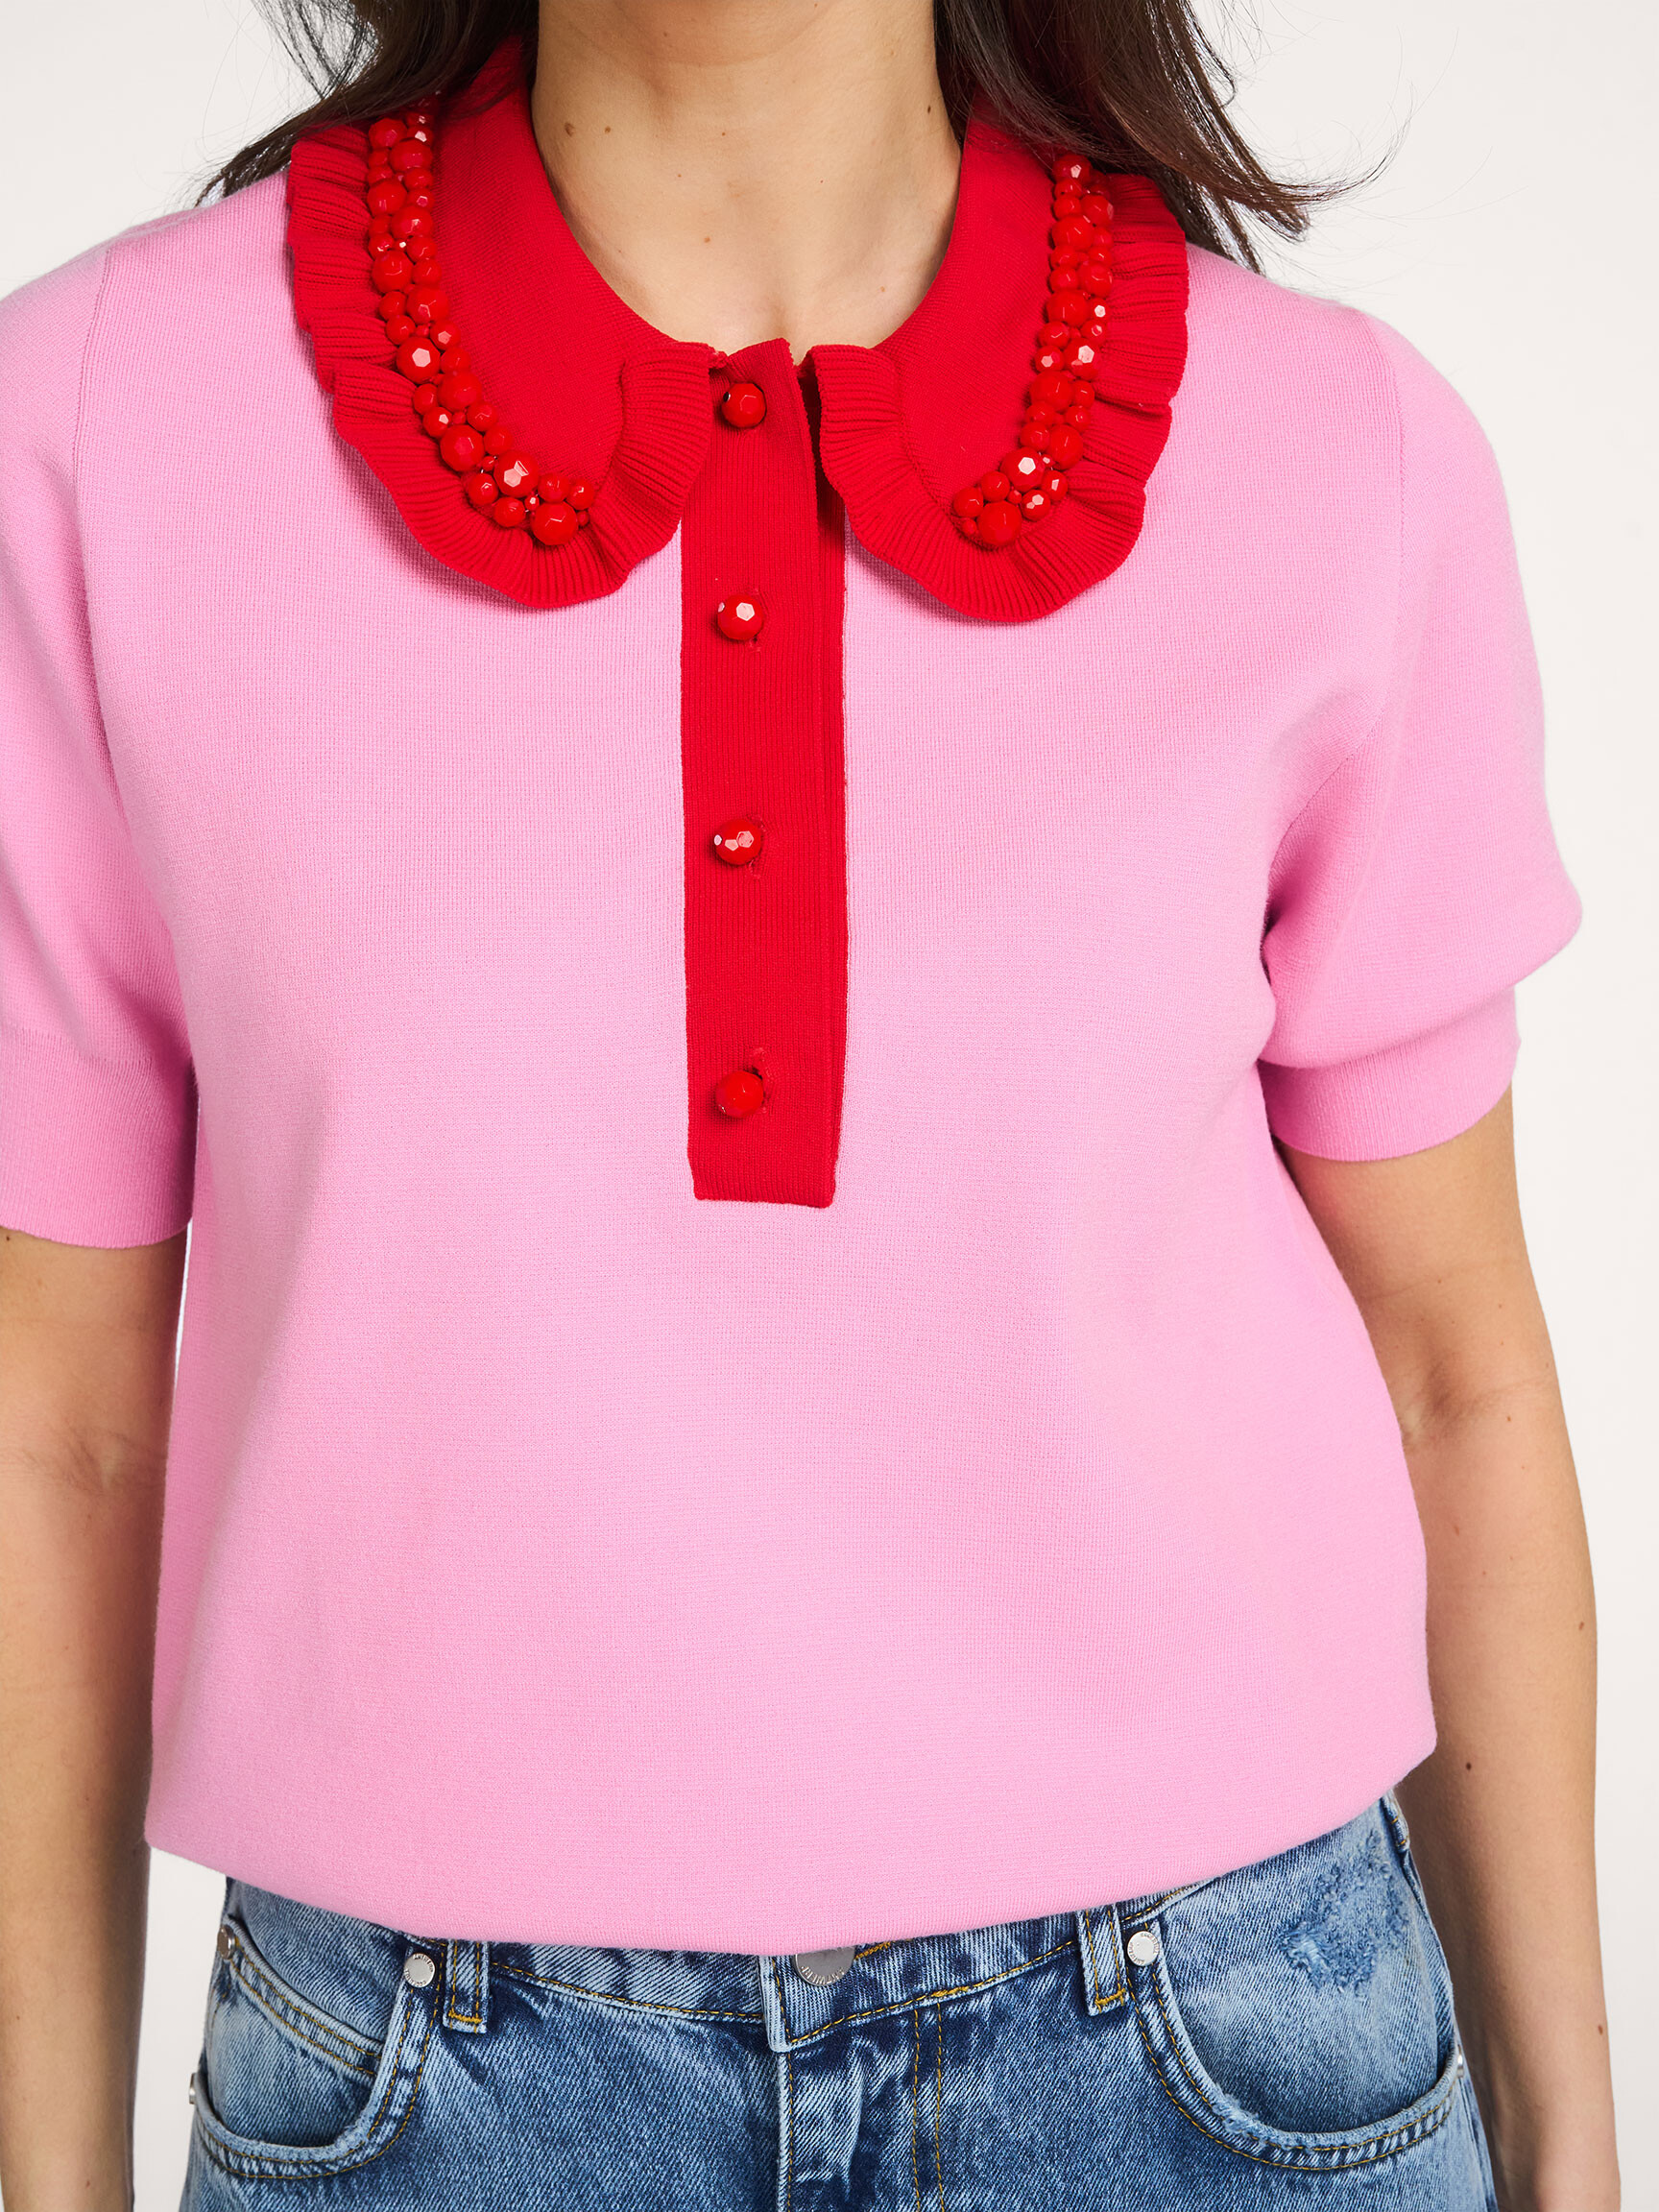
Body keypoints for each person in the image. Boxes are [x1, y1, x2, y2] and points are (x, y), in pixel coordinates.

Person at [0, 0, 1621, 2204]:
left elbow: (1458, 1372)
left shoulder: (1336, 452)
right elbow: (58, 1424)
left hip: (1226, 2060)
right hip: (433, 2098)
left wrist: (1574, 2139)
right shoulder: (102, 428)